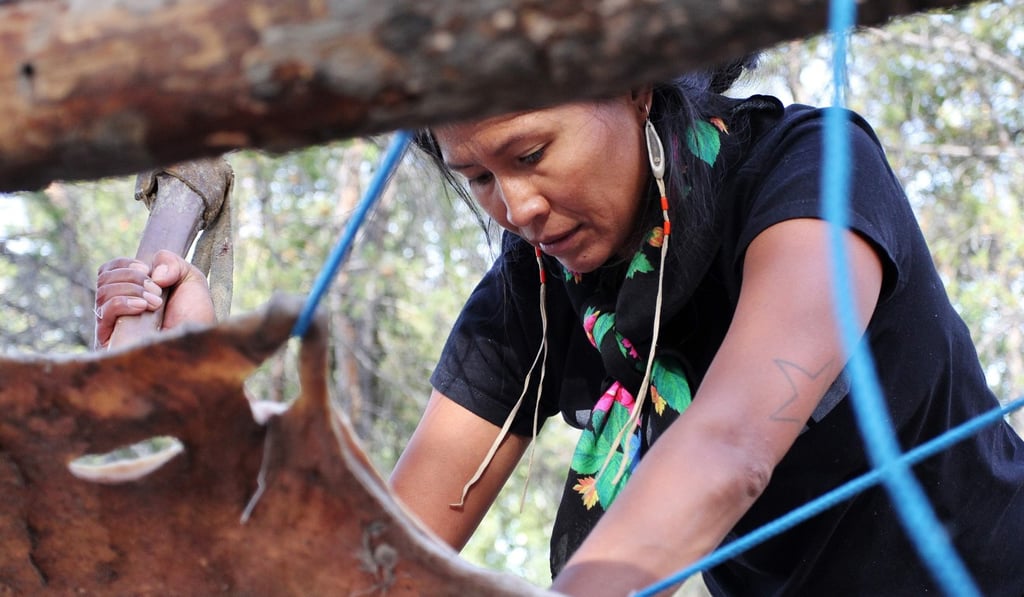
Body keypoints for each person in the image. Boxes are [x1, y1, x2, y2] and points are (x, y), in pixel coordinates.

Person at [95, 56, 1024, 596]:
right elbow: (378, 556)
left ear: (631, 85)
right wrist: (195, 389)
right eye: (480, 177)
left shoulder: (809, 175)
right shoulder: (536, 293)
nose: (519, 205)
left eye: (532, 153)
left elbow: (732, 444)